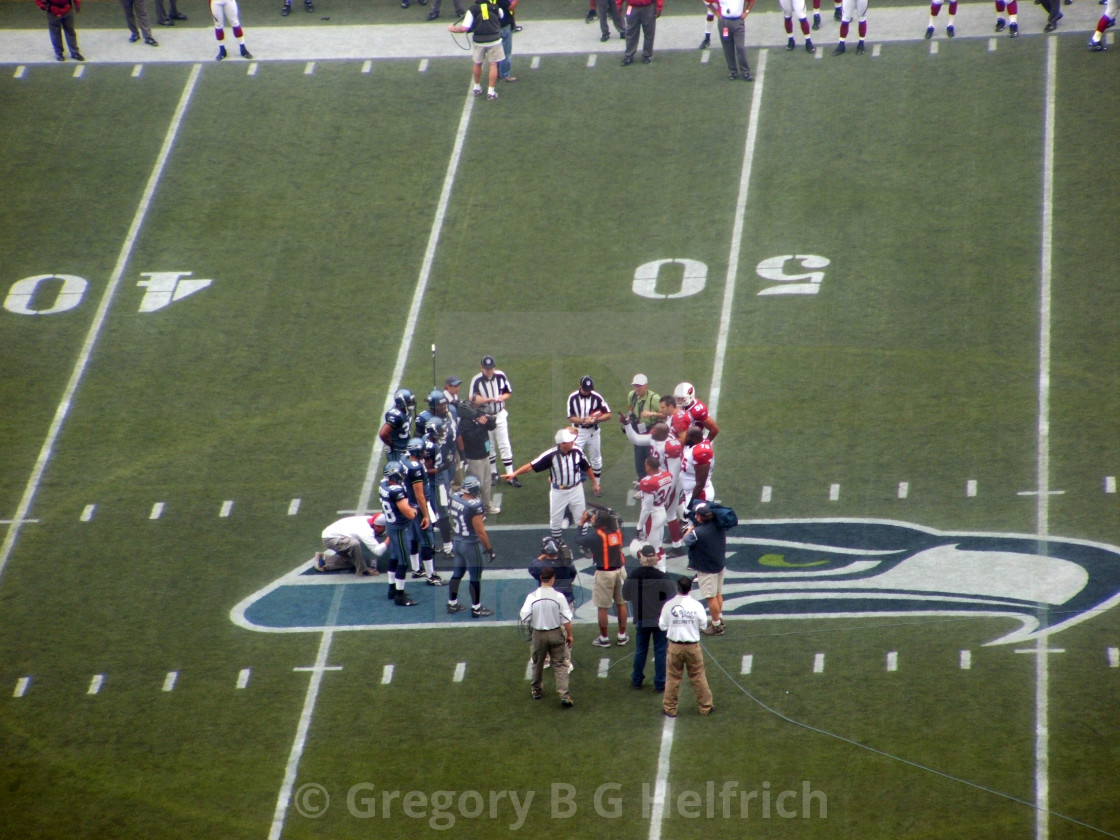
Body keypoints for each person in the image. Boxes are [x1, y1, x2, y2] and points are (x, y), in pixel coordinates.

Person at [503, 428, 600, 541]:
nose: (573, 442)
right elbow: (531, 466)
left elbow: (587, 467)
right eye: (570, 441)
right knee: (555, 519)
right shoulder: (551, 455)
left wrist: (595, 483)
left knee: (582, 517)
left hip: (576, 489)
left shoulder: (577, 451)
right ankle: (557, 543)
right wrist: (515, 473)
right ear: (562, 444)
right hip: (558, 491)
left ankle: (584, 543)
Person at [621, 419, 686, 556]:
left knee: (668, 514)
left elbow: (673, 475)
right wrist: (627, 424)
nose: (652, 432)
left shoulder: (670, 446)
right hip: (661, 480)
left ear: (662, 434)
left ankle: (672, 547)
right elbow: (637, 439)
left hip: (670, 483)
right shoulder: (656, 438)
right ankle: (674, 543)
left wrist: (665, 493)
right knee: (668, 514)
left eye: (655, 430)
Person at [659, 575, 714, 717]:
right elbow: (703, 625)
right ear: (690, 588)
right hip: (692, 647)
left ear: (677, 588)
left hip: (675, 646)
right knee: (698, 677)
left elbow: (662, 626)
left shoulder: (669, 605)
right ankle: (705, 707)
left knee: (672, 677)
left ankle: (670, 708)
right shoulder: (697, 605)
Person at [622, 544, 676, 691]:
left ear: (641, 557)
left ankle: (637, 680)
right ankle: (660, 683)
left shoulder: (633, 575)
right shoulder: (663, 577)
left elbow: (625, 595)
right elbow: (672, 597)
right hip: (659, 620)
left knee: (641, 650)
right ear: (655, 558)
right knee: (660, 651)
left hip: (641, 618)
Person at [520, 565, 575, 707]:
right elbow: (567, 619)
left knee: (537, 663)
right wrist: (570, 636)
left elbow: (524, 617)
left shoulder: (532, 597)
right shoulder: (559, 597)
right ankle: (564, 694)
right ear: (553, 579)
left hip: (538, 634)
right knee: (560, 664)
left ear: (540, 578)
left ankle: (536, 690)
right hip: (556, 633)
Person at [576, 507, 629, 648]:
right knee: (621, 603)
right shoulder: (617, 532)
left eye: (594, 517)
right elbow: (615, 521)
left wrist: (581, 523)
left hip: (605, 573)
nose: (592, 518)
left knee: (602, 607)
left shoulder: (595, 536)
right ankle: (622, 636)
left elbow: (578, 539)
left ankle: (604, 638)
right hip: (620, 570)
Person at [446, 475, 496, 617]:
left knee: (457, 573)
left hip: (457, 541)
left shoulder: (455, 497)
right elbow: (480, 531)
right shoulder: (474, 505)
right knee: (475, 577)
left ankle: (452, 603)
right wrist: (489, 549)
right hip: (470, 544)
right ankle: (476, 608)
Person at [528, 537, 577, 672]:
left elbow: (532, 567)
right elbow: (572, 575)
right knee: (563, 633)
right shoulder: (567, 564)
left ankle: (545, 659)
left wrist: (542, 557)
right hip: (565, 601)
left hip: (547, 602)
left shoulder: (540, 566)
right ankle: (565, 661)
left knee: (544, 629)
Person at [469, 356, 516, 482]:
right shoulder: (477, 380)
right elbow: (472, 399)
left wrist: (502, 398)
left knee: (504, 443)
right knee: (490, 445)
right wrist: (487, 400)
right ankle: (493, 472)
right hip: (486, 415)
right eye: (486, 368)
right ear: (482, 368)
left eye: (490, 368)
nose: (489, 371)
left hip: (500, 414)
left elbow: (508, 392)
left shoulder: (500, 375)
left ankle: (510, 474)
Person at [378, 461, 419, 606]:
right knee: (403, 561)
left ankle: (392, 589)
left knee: (394, 557)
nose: (402, 475)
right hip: (399, 528)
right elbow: (409, 514)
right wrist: (414, 510)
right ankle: (400, 596)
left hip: (390, 525)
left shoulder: (383, 484)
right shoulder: (396, 490)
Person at [448, 0, 507, 101]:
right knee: (493, 65)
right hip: (494, 40)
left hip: (479, 40)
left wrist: (454, 29)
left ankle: (476, 88)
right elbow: (501, 18)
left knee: (477, 64)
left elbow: (464, 28)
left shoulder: (472, 10)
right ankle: (491, 92)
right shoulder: (496, 8)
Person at [685, 502, 729, 636]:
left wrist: (691, 527)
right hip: (720, 564)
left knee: (710, 597)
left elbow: (686, 539)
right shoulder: (719, 525)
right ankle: (719, 618)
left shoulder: (698, 532)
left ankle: (716, 625)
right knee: (718, 593)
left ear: (699, 517)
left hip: (707, 568)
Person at [567, 376, 611, 495]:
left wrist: (596, 419)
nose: (587, 391)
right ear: (580, 386)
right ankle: (575, 484)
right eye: (585, 389)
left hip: (593, 431)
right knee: (574, 457)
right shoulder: (573, 397)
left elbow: (608, 414)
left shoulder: (596, 397)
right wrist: (584, 420)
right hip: (578, 431)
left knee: (596, 457)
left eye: (589, 389)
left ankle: (597, 484)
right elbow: (571, 416)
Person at [456, 398, 500, 514]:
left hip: (484, 455)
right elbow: (470, 438)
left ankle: (486, 505)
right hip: (474, 458)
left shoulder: (478, 417)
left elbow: (491, 427)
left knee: (486, 482)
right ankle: (477, 509)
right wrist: (480, 425)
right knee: (476, 484)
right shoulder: (465, 422)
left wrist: (489, 421)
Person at [315, 514, 386, 576]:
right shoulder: (366, 531)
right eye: (384, 527)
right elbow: (378, 551)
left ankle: (323, 559)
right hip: (330, 539)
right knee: (354, 544)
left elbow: (378, 532)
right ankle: (363, 571)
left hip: (334, 534)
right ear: (377, 526)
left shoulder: (369, 519)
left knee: (352, 562)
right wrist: (388, 539)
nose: (385, 529)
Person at [636, 456, 674, 567]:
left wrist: (639, 525)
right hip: (661, 511)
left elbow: (647, 508)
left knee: (652, 551)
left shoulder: (648, 482)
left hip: (652, 517)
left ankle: (660, 574)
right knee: (659, 547)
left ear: (648, 466)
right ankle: (663, 571)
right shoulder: (668, 475)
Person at [622, 374, 660, 481]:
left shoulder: (654, 398)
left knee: (650, 458)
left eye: (639, 386)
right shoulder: (632, 395)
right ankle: (642, 481)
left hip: (650, 431)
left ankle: (653, 482)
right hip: (638, 430)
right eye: (635, 385)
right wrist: (629, 417)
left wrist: (651, 414)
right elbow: (630, 407)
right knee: (639, 459)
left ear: (646, 385)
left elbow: (664, 414)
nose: (637, 388)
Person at [717, 0, 755, 80]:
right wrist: (716, 13)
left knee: (740, 47)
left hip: (737, 21)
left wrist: (746, 11)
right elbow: (708, 2)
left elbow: (751, 1)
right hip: (724, 23)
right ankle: (732, 70)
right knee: (727, 47)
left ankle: (745, 71)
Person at [379, 388, 416, 461]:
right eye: (409, 402)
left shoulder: (406, 410)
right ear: (401, 403)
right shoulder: (396, 415)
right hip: (398, 451)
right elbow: (383, 433)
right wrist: (391, 444)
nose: (411, 404)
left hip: (405, 447)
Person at [621, 0, 662, 65]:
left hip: (648, 7)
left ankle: (647, 56)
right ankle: (628, 56)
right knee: (631, 33)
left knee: (649, 32)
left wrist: (659, 6)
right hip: (631, 7)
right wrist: (618, 3)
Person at [497, 0, 518, 82]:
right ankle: (505, 74)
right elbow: (511, 7)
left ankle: (497, 71)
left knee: (495, 51)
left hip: (492, 26)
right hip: (503, 25)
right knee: (506, 52)